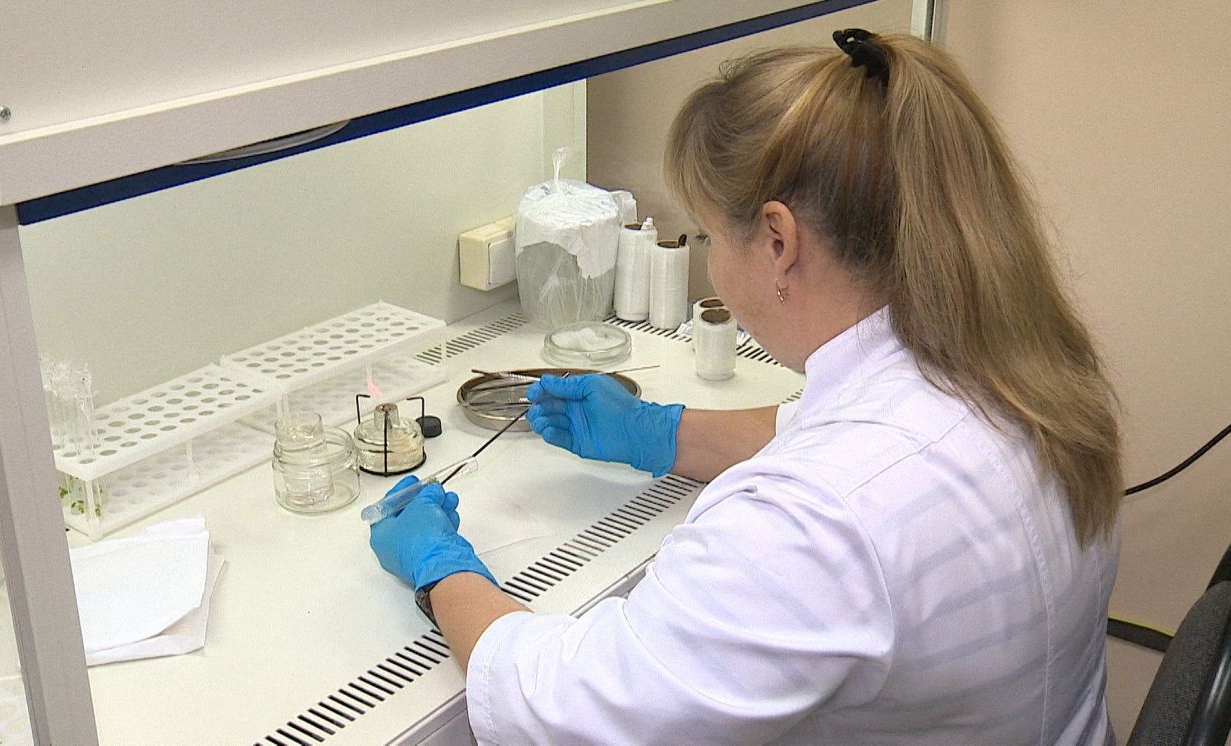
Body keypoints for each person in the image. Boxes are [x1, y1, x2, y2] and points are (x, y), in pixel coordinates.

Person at [369, 28, 1122, 744]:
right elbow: (833, 439)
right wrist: (661, 430)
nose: (713, 262)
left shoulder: (811, 526)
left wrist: (443, 571)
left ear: (778, 240)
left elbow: (572, 713)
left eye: (707, 235)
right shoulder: (1021, 374)